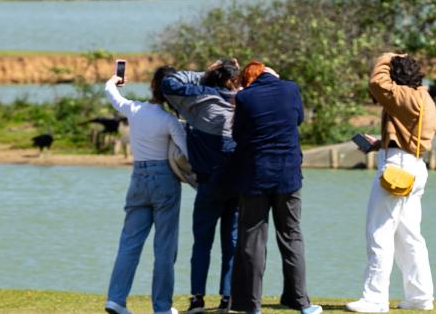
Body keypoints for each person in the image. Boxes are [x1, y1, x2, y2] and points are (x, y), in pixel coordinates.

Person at [346, 53, 436, 313]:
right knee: (409, 236)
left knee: (379, 232)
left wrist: (386, 57)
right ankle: (420, 297)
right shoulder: (423, 96)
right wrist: (381, 143)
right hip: (413, 166)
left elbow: (377, 83)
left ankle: (375, 299)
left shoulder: (404, 95)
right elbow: (408, 133)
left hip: (397, 168)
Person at [230, 61, 322, 314]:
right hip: (288, 176)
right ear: (270, 72)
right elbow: (299, 118)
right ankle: (301, 301)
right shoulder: (290, 89)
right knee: (291, 236)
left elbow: (237, 134)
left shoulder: (245, 98)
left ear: (249, 79)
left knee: (252, 239)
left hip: (256, 176)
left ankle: (251, 304)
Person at [104, 65, 189, 314]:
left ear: (152, 86)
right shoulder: (169, 121)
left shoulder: (134, 109)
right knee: (164, 247)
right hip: (165, 181)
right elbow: (187, 153)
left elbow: (110, 91)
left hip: (138, 178)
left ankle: (116, 299)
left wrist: (116, 78)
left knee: (129, 243)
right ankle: (162, 307)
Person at [161, 59, 241, 314]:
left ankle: (197, 300)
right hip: (237, 184)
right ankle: (227, 299)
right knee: (232, 242)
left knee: (202, 244)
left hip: (208, 184)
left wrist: (204, 74)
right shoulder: (244, 102)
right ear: (233, 80)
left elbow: (168, 82)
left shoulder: (198, 101)